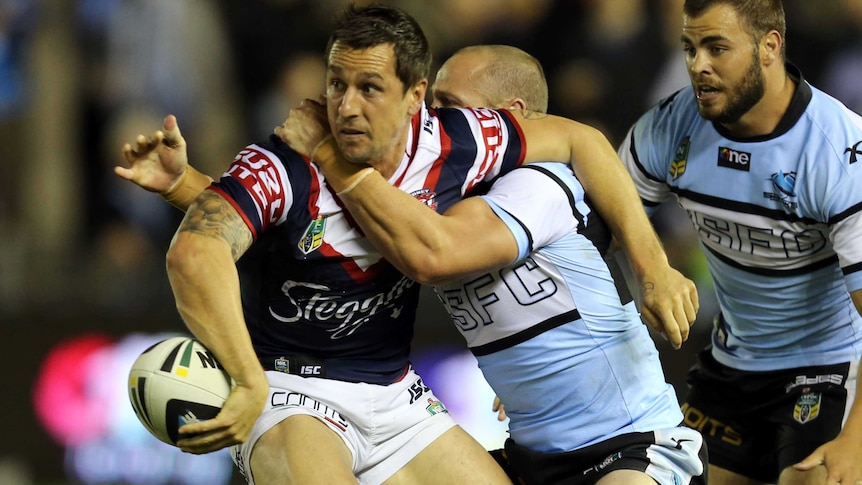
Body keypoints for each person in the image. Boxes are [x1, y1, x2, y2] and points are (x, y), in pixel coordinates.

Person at [116, 5, 697, 484]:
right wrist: (247, 378)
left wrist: (653, 267)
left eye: (370, 88)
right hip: (294, 388)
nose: (345, 106)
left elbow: (432, 250)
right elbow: (204, 250)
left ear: (414, 97)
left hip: (401, 399)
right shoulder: (281, 162)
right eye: (336, 84)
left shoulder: (466, 147)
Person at [279, 43, 708, 485]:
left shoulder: (537, 183)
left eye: (449, 105)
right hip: (532, 458)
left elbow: (434, 253)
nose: (432, 120)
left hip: (629, 445)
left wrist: (331, 157)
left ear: (509, 115)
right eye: (431, 104)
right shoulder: (434, 196)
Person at [615, 1, 862, 484]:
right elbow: (598, 226)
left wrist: (857, 439)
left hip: (828, 370)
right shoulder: (671, 126)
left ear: (769, 46)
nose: (697, 65)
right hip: (730, 367)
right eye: (689, 48)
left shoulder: (838, 152)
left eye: (716, 48)